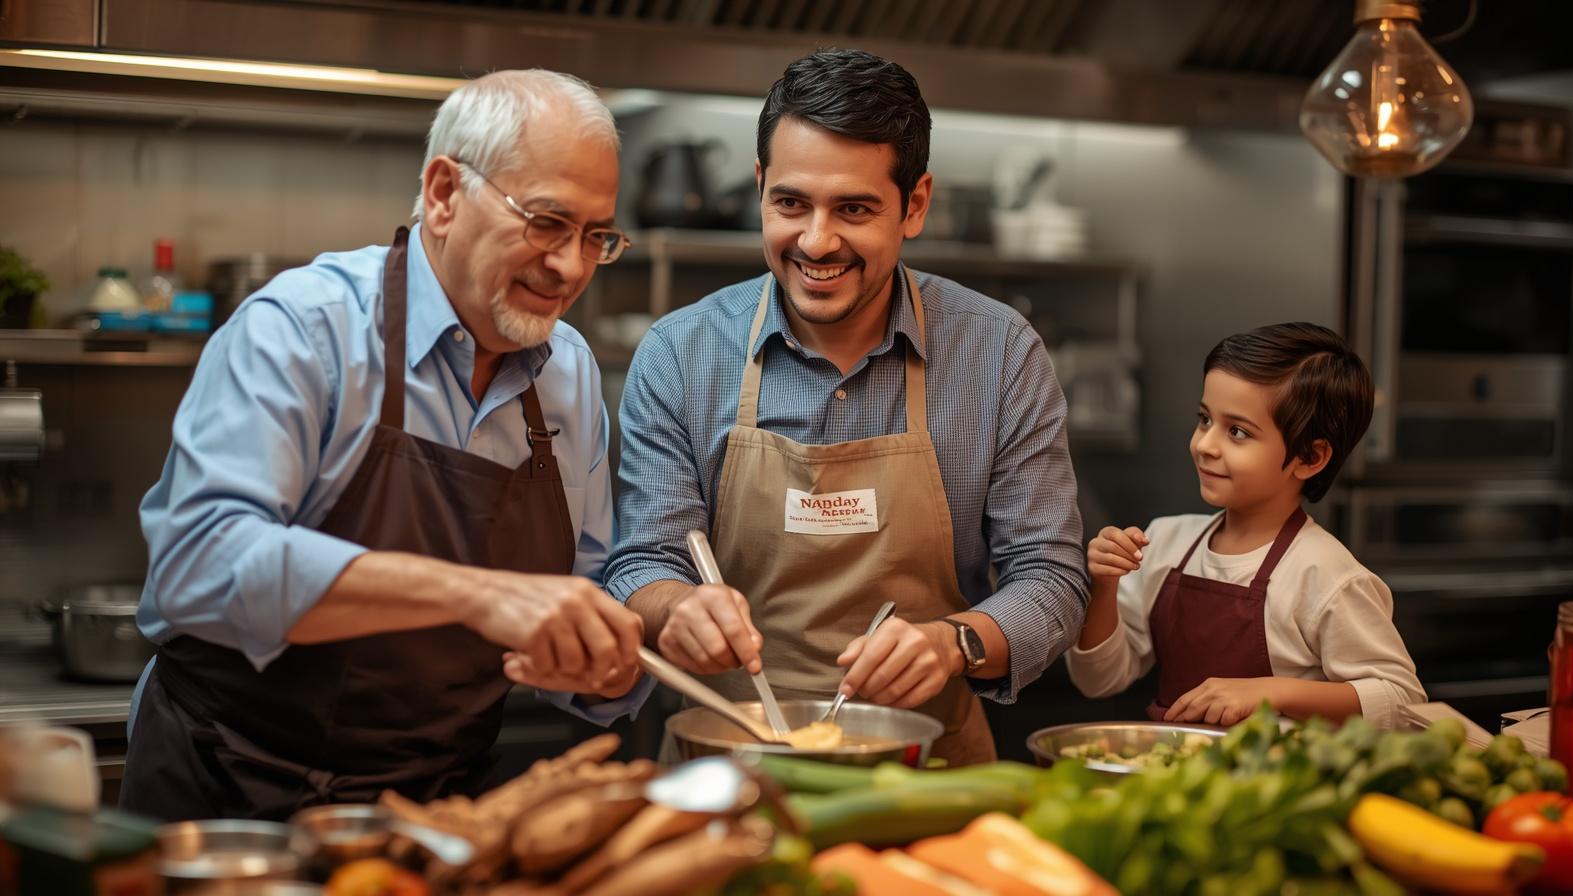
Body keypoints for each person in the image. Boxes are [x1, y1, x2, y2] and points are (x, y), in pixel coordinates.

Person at [120, 69, 649, 822]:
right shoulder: (305, 329)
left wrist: (617, 650)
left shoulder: (567, 374)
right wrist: (476, 594)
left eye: (597, 237)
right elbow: (198, 563)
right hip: (227, 795)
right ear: (442, 193)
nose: (571, 266)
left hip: (429, 814)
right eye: (545, 222)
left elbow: (581, 596)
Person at [605, 48, 1091, 764]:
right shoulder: (681, 353)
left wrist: (956, 643)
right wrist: (674, 608)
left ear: (914, 204)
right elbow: (641, 561)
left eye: (855, 209)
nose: (816, 241)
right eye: (791, 203)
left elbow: (1051, 577)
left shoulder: (999, 353)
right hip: (729, 768)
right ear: (761, 186)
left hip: (928, 770)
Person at [1067, 322, 1425, 729]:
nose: (1204, 444)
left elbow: (1402, 702)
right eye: (1204, 419)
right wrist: (1104, 587)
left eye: (1237, 431)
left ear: (1310, 457)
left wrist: (1271, 692)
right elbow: (1098, 680)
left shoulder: (1324, 574)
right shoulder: (1164, 541)